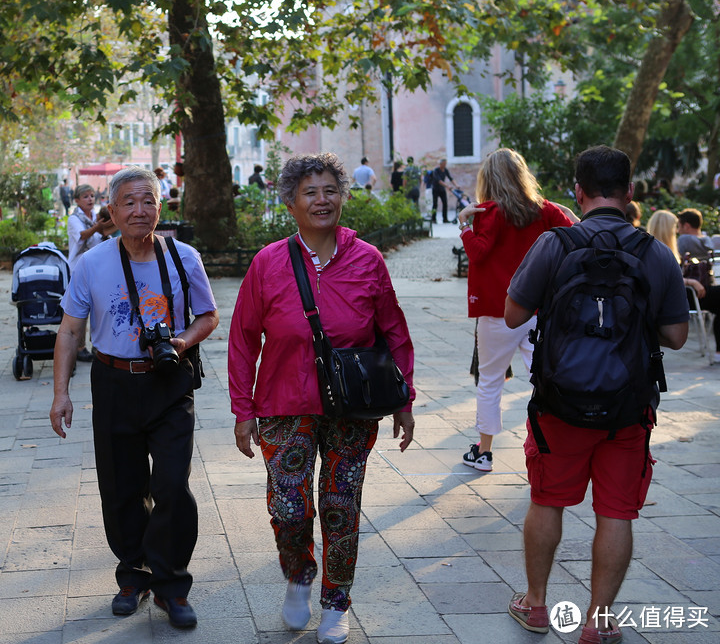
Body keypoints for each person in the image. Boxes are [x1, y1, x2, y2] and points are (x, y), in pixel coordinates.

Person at [228, 152, 416, 644]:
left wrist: (405, 400)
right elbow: (244, 338)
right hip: (283, 403)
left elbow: (394, 332)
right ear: (291, 202)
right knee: (288, 507)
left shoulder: (367, 259)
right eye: (310, 192)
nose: (321, 199)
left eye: (330, 190)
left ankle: (336, 602)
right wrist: (242, 410)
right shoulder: (268, 262)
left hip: (352, 406)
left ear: (342, 197)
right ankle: (299, 574)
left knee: (339, 504)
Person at [504, 146, 688, 644]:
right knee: (616, 512)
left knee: (546, 501)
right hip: (627, 410)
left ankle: (537, 606)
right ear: (629, 193)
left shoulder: (553, 245)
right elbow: (676, 337)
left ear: (577, 191)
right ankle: (598, 622)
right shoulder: (654, 253)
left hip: (559, 406)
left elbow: (513, 316)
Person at [50, 166, 219, 628]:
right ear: (112, 211)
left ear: (160, 208)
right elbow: (69, 331)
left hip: (169, 380)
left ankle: (171, 584)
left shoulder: (183, 256)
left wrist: (181, 342)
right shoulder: (91, 263)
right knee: (122, 486)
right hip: (113, 382)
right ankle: (134, 575)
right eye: (129, 202)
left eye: (148, 201)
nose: (139, 210)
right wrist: (60, 393)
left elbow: (208, 315)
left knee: (171, 486)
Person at [457, 149, 576, 472]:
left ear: (489, 178)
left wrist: (464, 224)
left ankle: (484, 452)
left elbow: (479, 253)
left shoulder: (489, 212)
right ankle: (555, 445)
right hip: (537, 310)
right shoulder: (544, 210)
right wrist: (564, 209)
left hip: (497, 309)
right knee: (544, 377)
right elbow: (578, 233)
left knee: (491, 380)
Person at [649, 210, 720, 364]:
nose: (677, 231)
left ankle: (718, 350)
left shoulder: (663, 249)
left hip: (684, 294)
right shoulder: (660, 250)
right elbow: (662, 279)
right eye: (674, 226)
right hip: (680, 296)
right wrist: (690, 282)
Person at [67, 183, 117, 362]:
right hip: (79, 269)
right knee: (80, 311)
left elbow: (101, 236)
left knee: (100, 308)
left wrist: (104, 227)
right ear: (77, 200)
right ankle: (80, 348)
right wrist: (99, 226)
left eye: (91, 196)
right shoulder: (74, 219)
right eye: (86, 196)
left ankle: (98, 345)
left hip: (99, 268)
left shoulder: (96, 216)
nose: (90, 199)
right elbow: (83, 235)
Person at [676, 208, 714, 282]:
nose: (678, 230)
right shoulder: (708, 240)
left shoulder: (684, 239)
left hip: (690, 285)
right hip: (708, 282)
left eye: (679, 226)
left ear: (686, 226)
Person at [430, 158, 455, 223]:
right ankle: (433, 219)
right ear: (440, 164)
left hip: (442, 189)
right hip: (435, 189)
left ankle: (445, 218)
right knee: (435, 204)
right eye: (443, 164)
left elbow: (450, 178)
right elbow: (439, 181)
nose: (444, 165)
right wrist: (447, 186)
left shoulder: (445, 170)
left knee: (445, 203)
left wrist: (456, 185)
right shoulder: (436, 170)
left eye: (445, 164)